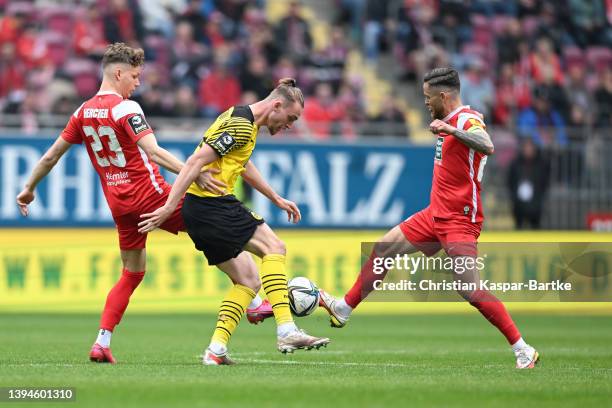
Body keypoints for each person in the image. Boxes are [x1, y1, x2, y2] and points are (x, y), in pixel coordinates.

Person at [15, 42, 271, 364]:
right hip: (153, 195)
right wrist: (195, 175)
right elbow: (154, 152)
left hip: (120, 206)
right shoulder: (126, 109)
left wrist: (28, 188)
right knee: (211, 220)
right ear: (118, 72)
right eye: (134, 76)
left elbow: (52, 155)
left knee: (132, 274)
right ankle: (254, 299)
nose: (137, 84)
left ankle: (101, 342)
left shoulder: (82, 112)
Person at [317, 68, 540, 369]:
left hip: (459, 219)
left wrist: (453, 131)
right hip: (434, 214)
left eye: (428, 97)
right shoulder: (449, 120)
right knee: (383, 249)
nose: (425, 103)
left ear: (444, 96)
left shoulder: (466, 120)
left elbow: (487, 144)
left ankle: (522, 348)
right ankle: (344, 308)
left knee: (470, 289)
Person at [138, 78, 330, 365]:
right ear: (276, 105)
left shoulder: (243, 120)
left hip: (200, 211)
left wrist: (275, 197)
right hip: (211, 206)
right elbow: (194, 162)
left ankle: (216, 350)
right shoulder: (240, 125)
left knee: (249, 281)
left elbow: (243, 163)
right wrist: (167, 208)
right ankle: (287, 329)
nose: (289, 125)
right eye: (290, 118)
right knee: (274, 247)